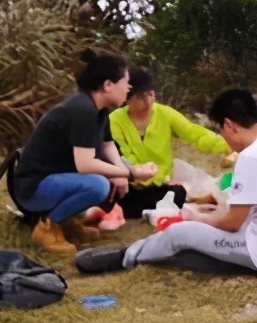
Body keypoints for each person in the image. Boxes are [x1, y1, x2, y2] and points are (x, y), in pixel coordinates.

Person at [75, 88, 257, 278]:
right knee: (197, 242)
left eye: (222, 131)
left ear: (229, 125)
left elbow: (231, 223)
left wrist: (195, 218)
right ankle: (158, 252)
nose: (224, 138)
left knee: (178, 233)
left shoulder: (252, 156)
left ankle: (125, 256)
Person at [14, 51, 158, 256]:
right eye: (126, 82)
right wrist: (131, 173)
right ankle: (47, 227)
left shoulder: (97, 109)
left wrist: (122, 172)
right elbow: (85, 164)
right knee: (98, 185)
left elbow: (108, 146)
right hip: (33, 189)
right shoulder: (83, 111)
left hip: (55, 180)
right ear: (108, 85)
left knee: (113, 171)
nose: (129, 88)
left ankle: (64, 222)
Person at [108, 69, 232, 219]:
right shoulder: (115, 120)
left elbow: (194, 133)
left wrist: (226, 144)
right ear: (126, 99)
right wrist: (154, 178)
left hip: (162, 185)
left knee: (177, 193)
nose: (148, 99)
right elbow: (124, 156)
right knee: (115, 195)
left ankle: (159, 205)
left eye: (150, 93)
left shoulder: (165, 113)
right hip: (131, 183)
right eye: (140, 96)